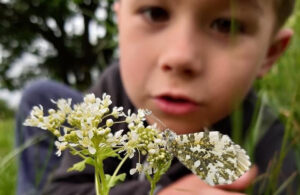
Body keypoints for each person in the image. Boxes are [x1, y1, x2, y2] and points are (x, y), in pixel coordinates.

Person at [16, 0, 297, 194]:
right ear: (119, 20)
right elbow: (63, 189)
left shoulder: (266, 142)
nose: (180, 56)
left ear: (269, 54)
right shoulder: (113, 90)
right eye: (155, 13)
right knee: (39, 95)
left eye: (227, 25)